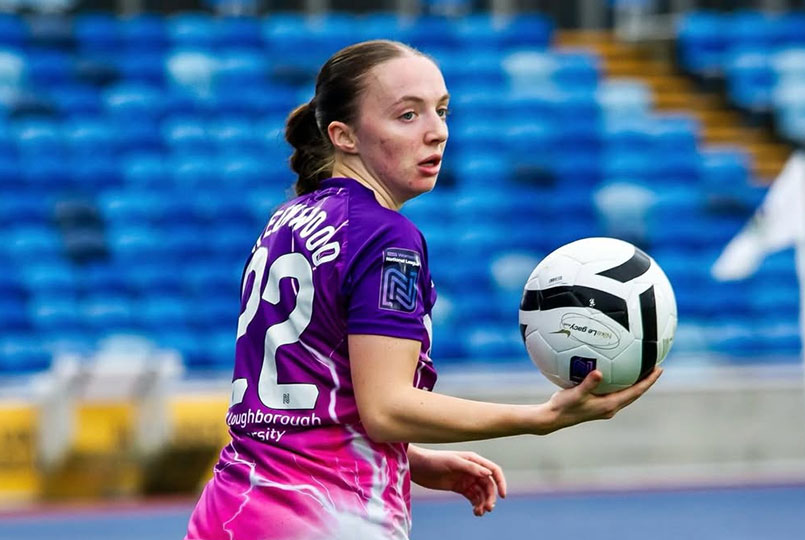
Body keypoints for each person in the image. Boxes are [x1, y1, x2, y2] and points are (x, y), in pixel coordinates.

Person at [184, 39, 662, 540]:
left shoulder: (287, 219)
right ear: (344, 136)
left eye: (442, 111)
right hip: (325, 519)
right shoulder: (387, 236)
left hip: (232, 510)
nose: (437, 132)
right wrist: (540, 417)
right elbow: (387, 407)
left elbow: (308, 406)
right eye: (407, 115)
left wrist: (414, 462)